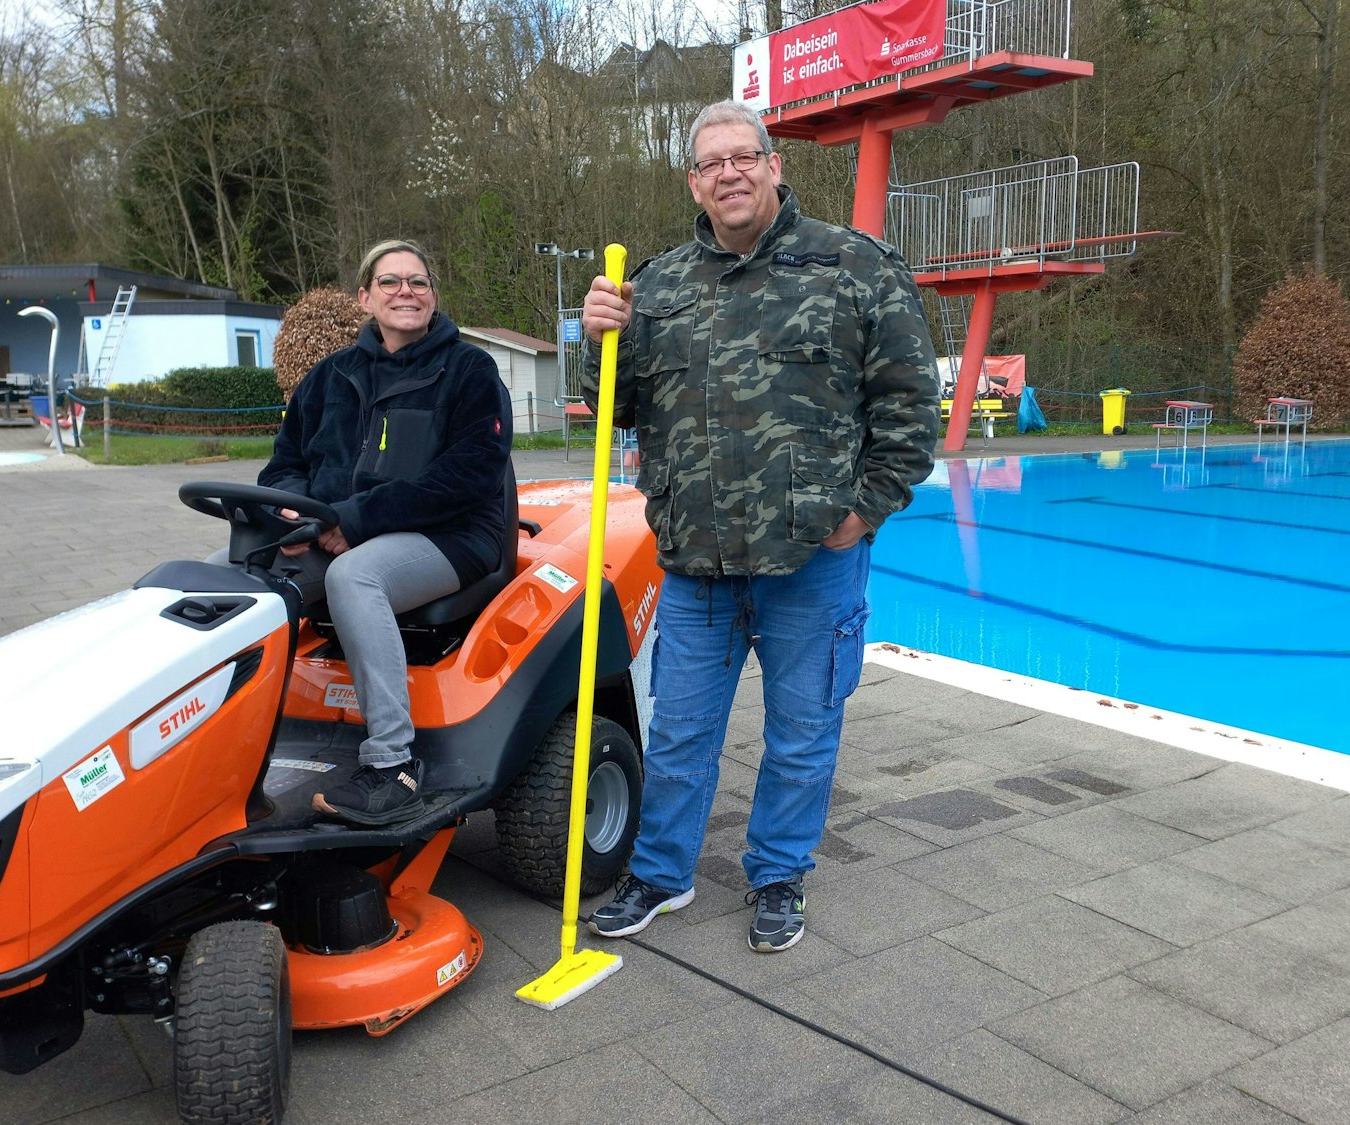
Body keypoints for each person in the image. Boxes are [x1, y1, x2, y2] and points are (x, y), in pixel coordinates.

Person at [579, 101, 939, 952]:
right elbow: (613, 412)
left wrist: (865, 510)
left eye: (744, 157)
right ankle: (660, 874)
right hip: (697, 561)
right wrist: (598, 341)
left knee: (803, 736)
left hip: (811, 559)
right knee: (677, 735)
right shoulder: (656, 286)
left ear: (775, 166)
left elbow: (910, 404)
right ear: (694, 183)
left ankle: (777, 874)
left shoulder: (853, 267)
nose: (729, 173)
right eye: (711, 164)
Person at [255, 238, 513, 826]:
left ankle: (393, 763)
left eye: (418, 282)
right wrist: (293, 517)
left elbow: (469, 475)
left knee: (355, 576)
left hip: (452, 537)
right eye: (391, 282)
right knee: (230, 574)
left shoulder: (469, 371)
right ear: (366, 297)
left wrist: (357, 519)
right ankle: (225, 742)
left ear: (433, 296)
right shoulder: (329, 378)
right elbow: (285, 464)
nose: (406, 292)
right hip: (334, 530)